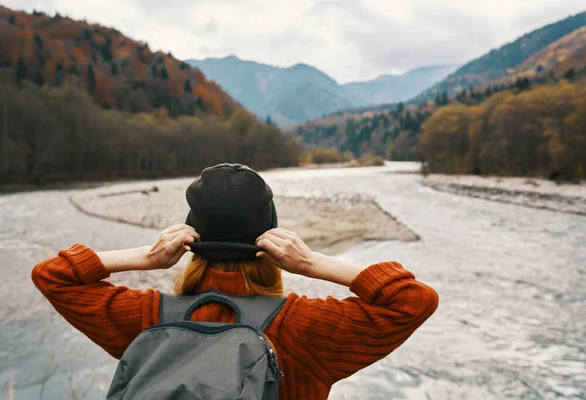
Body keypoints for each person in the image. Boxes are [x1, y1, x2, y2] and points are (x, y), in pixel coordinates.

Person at [32, 163, 439, 400]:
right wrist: (313, 263)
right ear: (273, 241)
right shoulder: (303, 328)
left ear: (192, 239)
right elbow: (413, 300)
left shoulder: (147, 318)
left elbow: (52, 275)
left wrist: (146, 257)